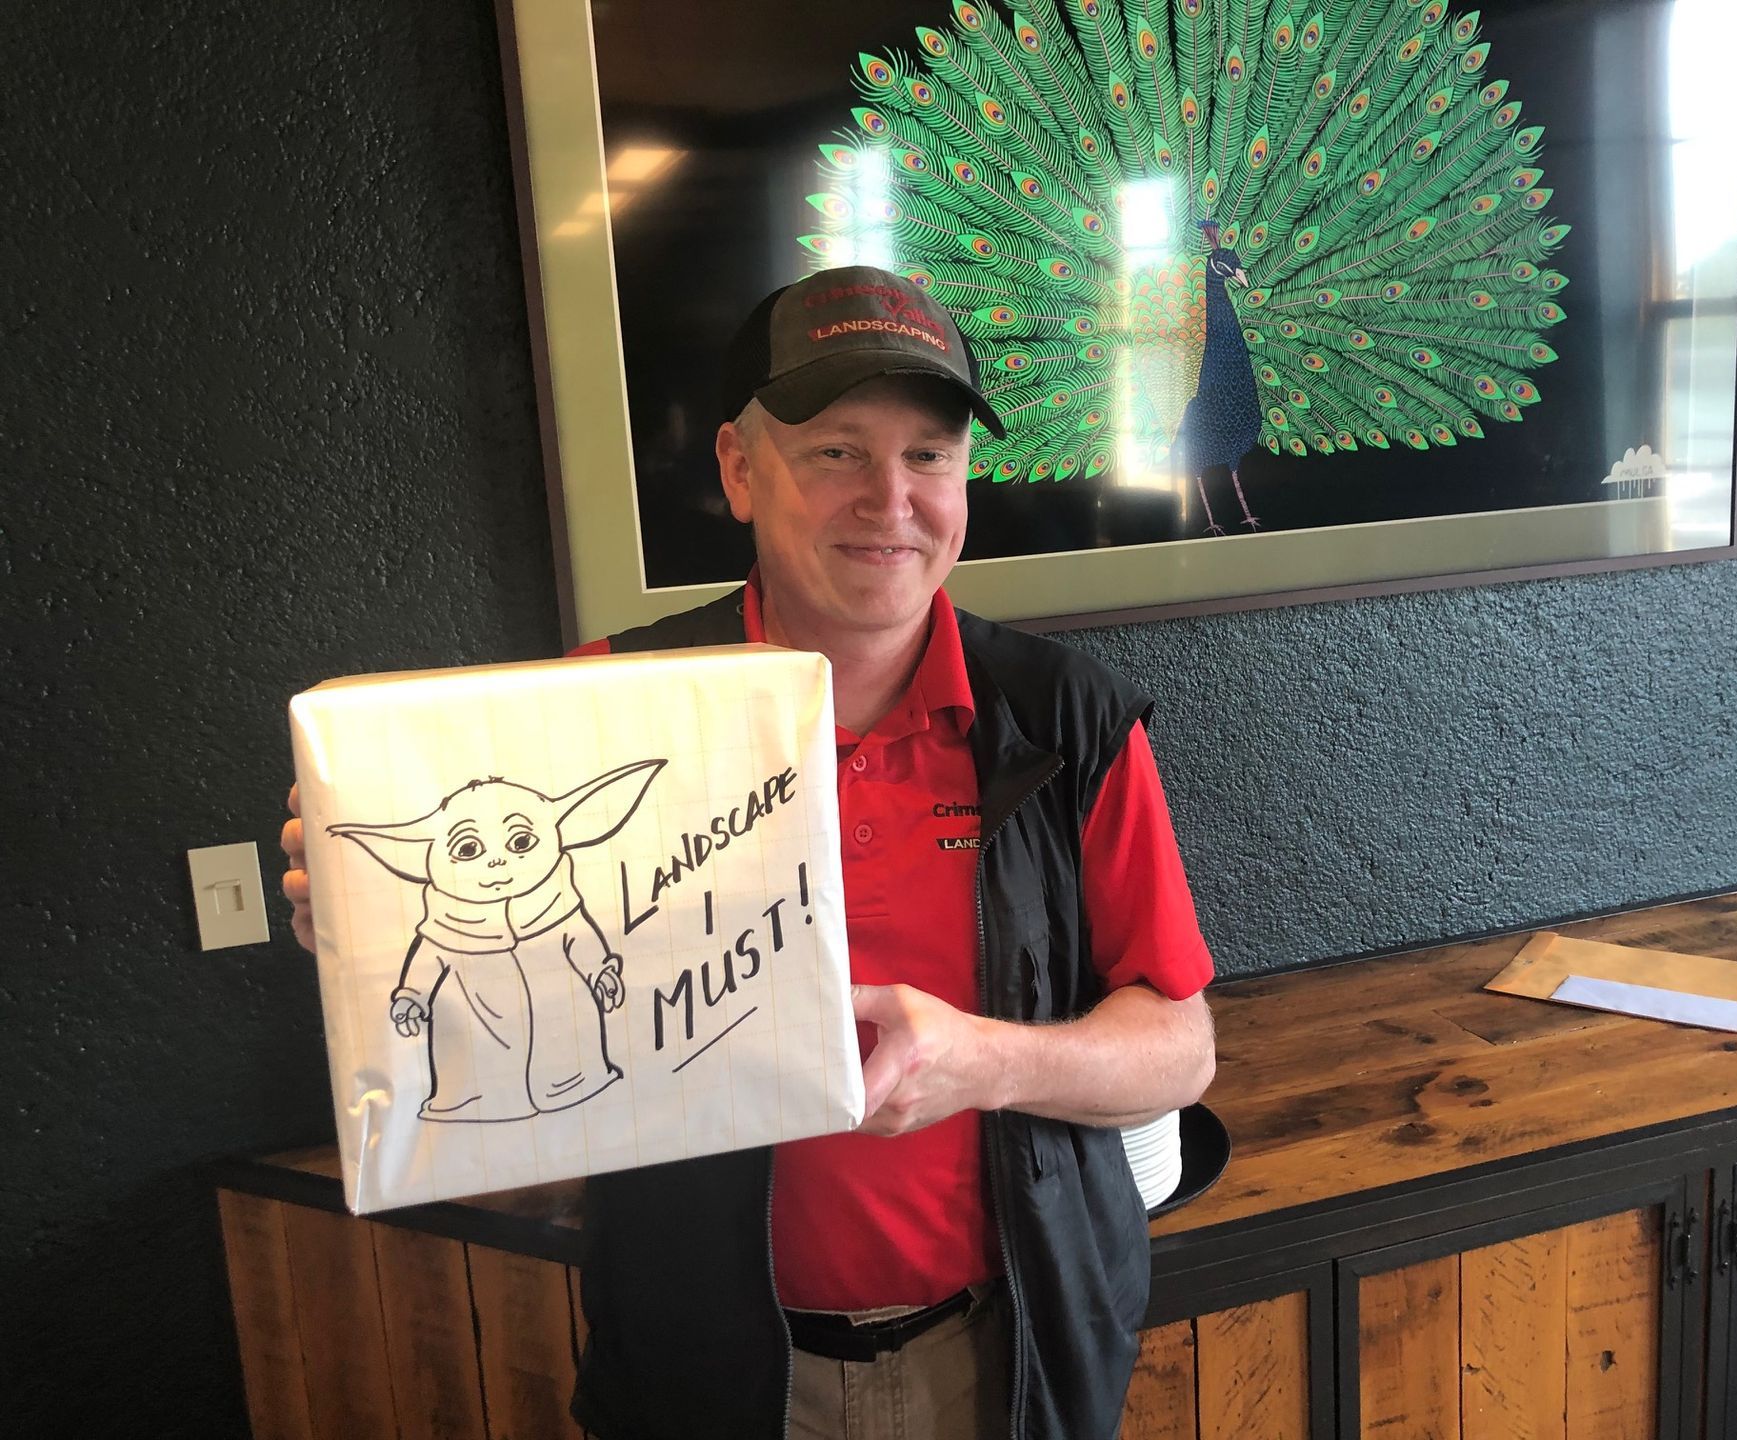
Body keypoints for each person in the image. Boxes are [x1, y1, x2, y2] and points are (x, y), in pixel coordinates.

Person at [281, 265, 1215, 1440]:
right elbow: (513, 1026)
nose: (892, 498)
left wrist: (981, 1061)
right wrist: (372, 931)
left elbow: (1179, 1050)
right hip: (711, 1381)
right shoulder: (606, 710)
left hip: (1012, 1363)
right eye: (835, 451)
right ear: (738, 468)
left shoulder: (1069, 717)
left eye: (929, 455)